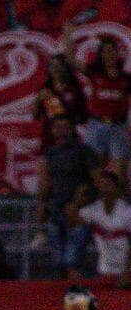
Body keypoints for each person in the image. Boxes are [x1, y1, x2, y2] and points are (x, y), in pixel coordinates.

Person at [35, 116, 99, 277]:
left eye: (65, 128)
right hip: (55, 214)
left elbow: (98, 182)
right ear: (52, 131)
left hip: (77, 216)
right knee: (58, 264)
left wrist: (79, 203)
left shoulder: (84, 151)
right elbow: (46, 184)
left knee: (72, 262)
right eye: (57, 128)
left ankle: (77, 301)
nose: (61, 132)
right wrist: (42, 205)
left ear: (72, 130)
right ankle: (59, 302)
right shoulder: (50, 154)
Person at [65, 29, 131, 170]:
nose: (109, 54)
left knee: (120, 171)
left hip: (118, 127)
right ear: (101, 54)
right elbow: (70, 60)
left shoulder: (125, 78)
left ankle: (120, 192)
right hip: (97, 125)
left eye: (112, 51)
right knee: (95, 169)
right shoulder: (95, 72)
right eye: (105, 51)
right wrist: (68, 32)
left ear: (117, 53)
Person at [70, 170, 131, 287]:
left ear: (117, 189)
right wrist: (78, 198)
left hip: (125, 272)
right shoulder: (94, 209)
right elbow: (72, 220)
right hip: (104, 271)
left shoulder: (127, 211)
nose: (105, 189)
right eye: (102, 186)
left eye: (108, 185)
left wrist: (128, 272)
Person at [34, 54, 87, 149]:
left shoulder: (74, 89)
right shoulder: (46, 88)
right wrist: (38, 101)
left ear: (65, 67)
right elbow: (35, 116)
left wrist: (54, 101)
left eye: (59, 65)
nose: (55, 69)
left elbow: (81, 117)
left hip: (69, 138)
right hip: (49, 137)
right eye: (52, 66)